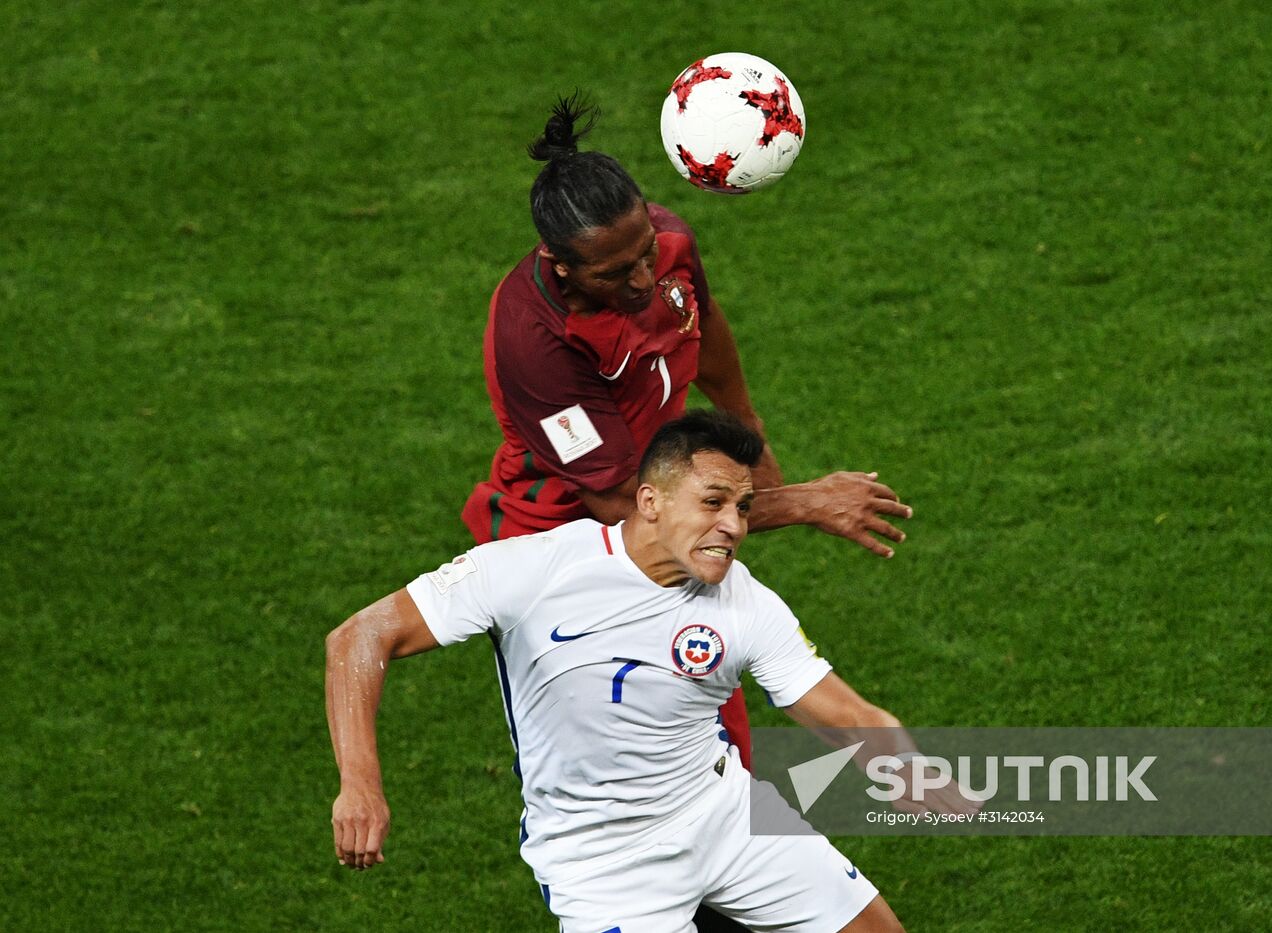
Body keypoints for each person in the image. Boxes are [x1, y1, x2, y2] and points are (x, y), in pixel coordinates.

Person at [328, 412, 977, 931]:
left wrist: (909, 770)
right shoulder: (536, 569)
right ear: (650, 500)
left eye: (745, 507)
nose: (733, 526)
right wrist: (361, 786)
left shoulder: (744, 601)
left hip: (723, 814)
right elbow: (360, 636)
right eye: (714, 501)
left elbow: (847, 715)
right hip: (604, 859)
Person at [463, 92, 913, 779]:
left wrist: (747, 430)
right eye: (616, 273)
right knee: (618, 774)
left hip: (673, 501)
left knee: (718, 746)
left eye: (645, 251)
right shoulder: (534, 340)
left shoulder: (664, 240)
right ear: (561, 266)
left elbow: (701, 325)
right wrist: (801, 503)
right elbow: (621, 508)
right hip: (565, 551)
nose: (645, 277)